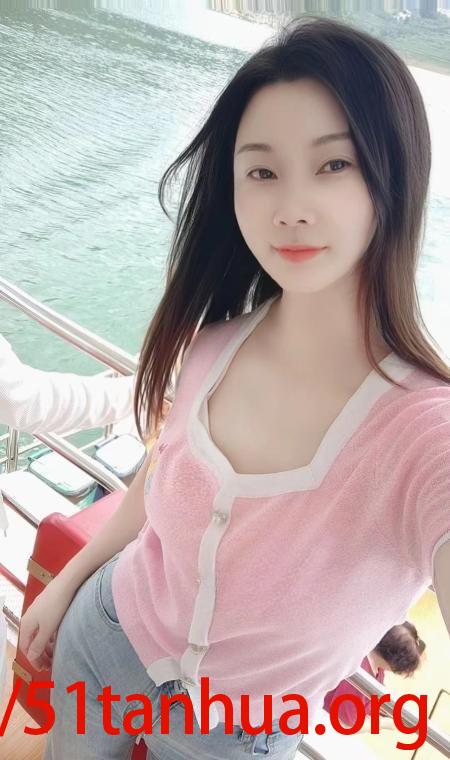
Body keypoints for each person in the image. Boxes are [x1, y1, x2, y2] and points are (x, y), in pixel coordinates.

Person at [18, 16, 450, 760]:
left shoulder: (423, 432)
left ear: (394, 176)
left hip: (236, 734)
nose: (291, 206)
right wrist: (67, 584)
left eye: (334, 164)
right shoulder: (211, 347)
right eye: (262, 171)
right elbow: (159, 480)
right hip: (106, 635)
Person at [323, 622, 426, 733]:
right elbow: (347, 724)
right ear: (397, 663)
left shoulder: (377, 668)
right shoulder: (360, 675)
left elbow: (375, 699)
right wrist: (384, 723)